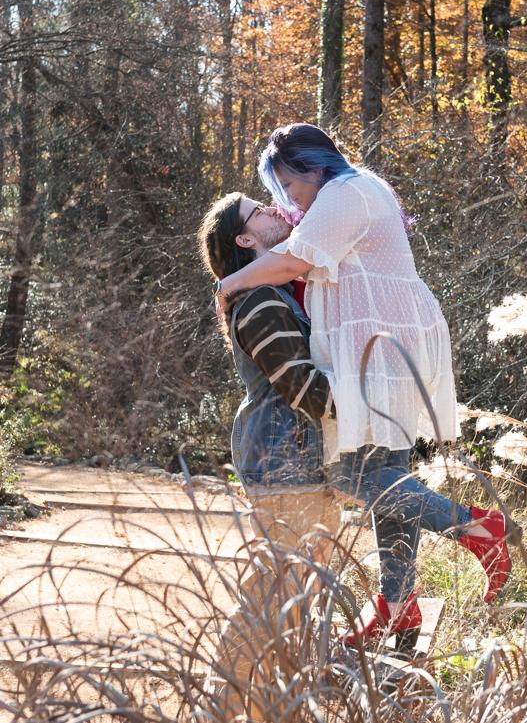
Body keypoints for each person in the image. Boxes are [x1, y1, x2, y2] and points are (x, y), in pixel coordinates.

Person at [213, 123, 516, 650]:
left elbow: (294, 261)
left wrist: (229, 283)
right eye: (276, 196)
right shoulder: (352, 190)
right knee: (387, 480)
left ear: (311, 167)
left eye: (289, 185)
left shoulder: (345, 191)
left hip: (377, 350)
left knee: (356, 476)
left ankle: (475, 529)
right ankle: (398, 606)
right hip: (383, 347)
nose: (288, 201)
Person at [198, 191, 339, 715]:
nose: (275, 210)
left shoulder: (271, 291)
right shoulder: (259, 301)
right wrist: (375, 398)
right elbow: (302, 388)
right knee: (271, 593)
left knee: (296, 597)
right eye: (259, 211)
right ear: (245, 238)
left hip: (298, 458)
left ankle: (266, 706)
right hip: (284, 459)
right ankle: (217, 707)